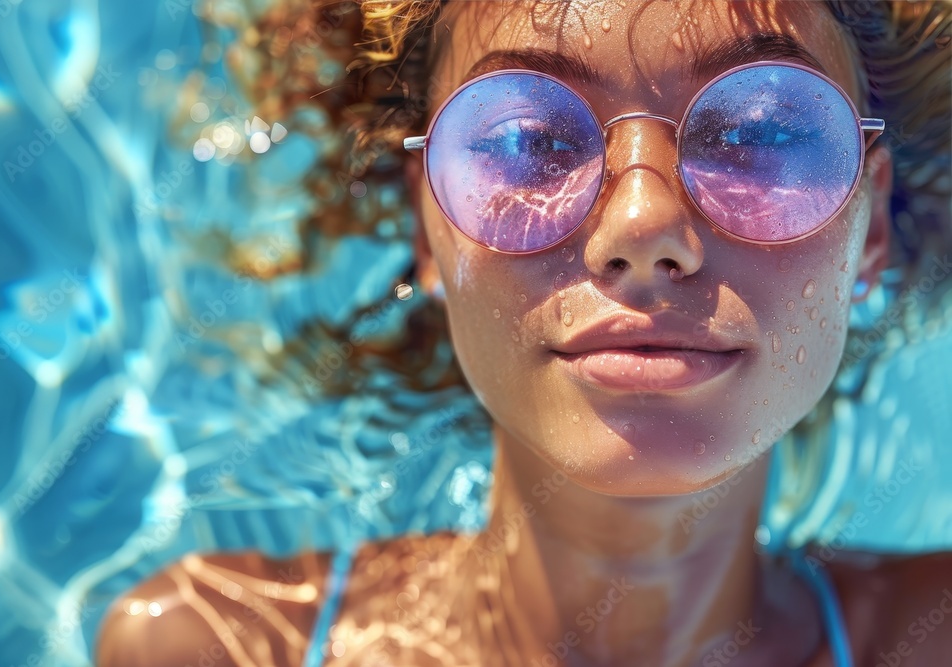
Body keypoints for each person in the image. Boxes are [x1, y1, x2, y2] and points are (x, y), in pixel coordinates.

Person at [96, 1, 952, 665]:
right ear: (427, 223)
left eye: (759, 133)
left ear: (868, 223)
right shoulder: (219, 644)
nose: (644, 223)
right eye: (531, 140)